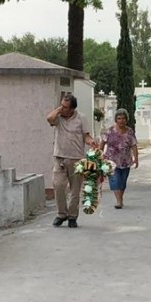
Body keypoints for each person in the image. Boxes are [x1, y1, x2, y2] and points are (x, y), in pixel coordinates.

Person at [46, 93, 96, 227]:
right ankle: (61, 214)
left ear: (72, 109)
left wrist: (91, 142)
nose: (62, 109)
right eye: (61, 105)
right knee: (58, 186)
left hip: (76, 159)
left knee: (75, 190)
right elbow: (49, 118)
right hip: (60, 158)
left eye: (65, 107)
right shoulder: (58, 118)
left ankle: (72, 216)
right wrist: (59, 109)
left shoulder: (81, 118)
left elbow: (86, 136)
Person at [102, 109, 139, 209]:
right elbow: (102, 143)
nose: (121, 121)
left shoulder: (130, 131)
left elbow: (134, 145)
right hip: (111, 160)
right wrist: (100, 155)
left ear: (126, 120)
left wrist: (136, 158)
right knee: (115, 180)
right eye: (119, 118)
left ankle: (120, 199)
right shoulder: (109, 131)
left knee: (122, 182)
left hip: (125, 161)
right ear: (116, 120)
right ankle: (118, 201)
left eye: (123, 118)